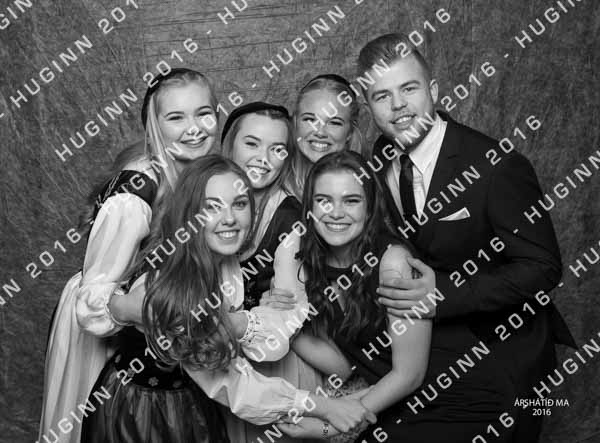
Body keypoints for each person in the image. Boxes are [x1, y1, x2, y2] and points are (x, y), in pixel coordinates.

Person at [357, 33, 576, 442]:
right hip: (434, 360)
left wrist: (443, 294)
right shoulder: (382, 155)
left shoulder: (496, 165)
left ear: (434, 90)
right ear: (369, 107)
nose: (398, 105)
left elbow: (543, 268)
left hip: (509, 358)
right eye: (382, 96)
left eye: (409, 88)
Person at [81, 155, 376, 442]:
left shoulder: (221, 260)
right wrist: (325, 407)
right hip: (144, 412)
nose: (230, 219)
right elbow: (235, 386)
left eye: (239, 204)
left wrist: (250, 316)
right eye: (212, 207)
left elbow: (242, 336)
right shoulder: (174, 285)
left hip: (191, 400)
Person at [38, 68, 220, 443]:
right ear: (154, 126)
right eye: (176, 117)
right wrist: (142, 309)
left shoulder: (196, 173)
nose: (194, 128)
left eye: (204, 113)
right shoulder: (135, 195)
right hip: (105, 330)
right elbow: (93, 300)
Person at [274, 151, 432, 440]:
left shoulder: (392, 262)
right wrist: (281, 322)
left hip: (437, 396)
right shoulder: (312, 263)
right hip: (382, 401)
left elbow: (410, 375)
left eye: (351, 201)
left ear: (370, 208)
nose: (336, 213)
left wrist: (329, 426)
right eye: (324, 200)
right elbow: (346, 366)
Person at [220, 102, 324, 442]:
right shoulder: (203, 198)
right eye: (252, 143)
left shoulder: (290, 218)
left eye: (277, 149)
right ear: (230, 145)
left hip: (269, 372)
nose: (263, 158)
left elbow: (284, 319)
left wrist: (247, 315)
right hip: (214, 366)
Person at [293, 74, 363, 188]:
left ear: (350, 132)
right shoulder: (272, 183)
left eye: (334, 123)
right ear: (295, 122)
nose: (320, 132)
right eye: (310, 119)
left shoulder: (366, 186)